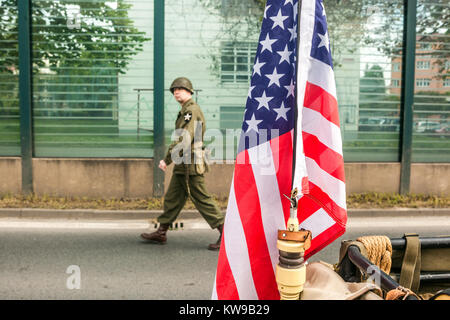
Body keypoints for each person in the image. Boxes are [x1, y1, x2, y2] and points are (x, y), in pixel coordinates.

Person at [140, 77, 225, 250]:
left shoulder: (191, 111)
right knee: (173, 197)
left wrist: (167, 159)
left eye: (180, 88)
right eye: (174, 90)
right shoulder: (186, 110)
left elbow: (184, 138)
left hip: (190, 163)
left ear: (189, 91)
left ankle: (226, 234)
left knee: (201, 198)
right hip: (184, 162)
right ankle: (162, 231)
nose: (176, 91)